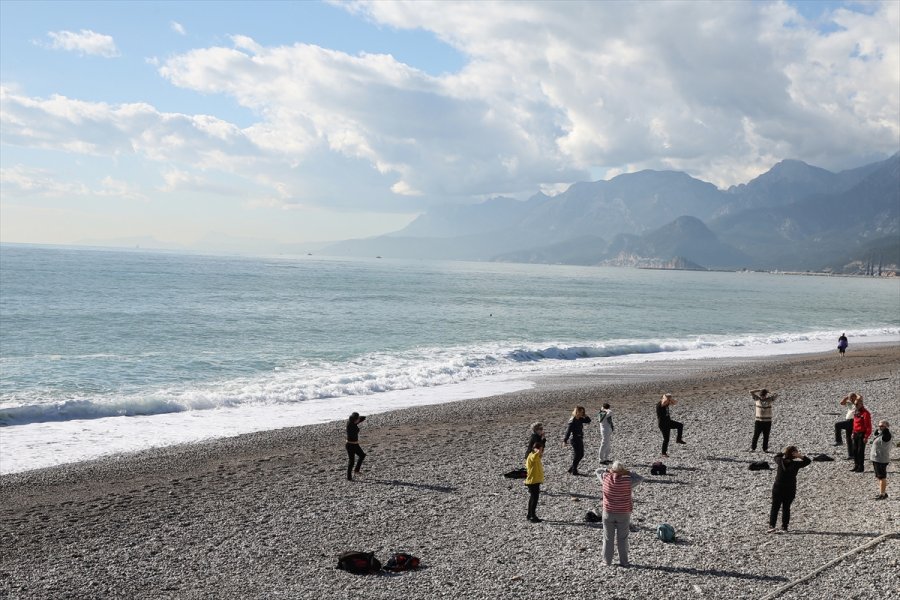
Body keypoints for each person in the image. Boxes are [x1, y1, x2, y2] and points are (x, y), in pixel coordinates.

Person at [596, 461, 644, 566]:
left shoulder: (605, 478)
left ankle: (606, 561)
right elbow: (640, 478)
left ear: (612, 470)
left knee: (608, 538)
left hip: (608, 512)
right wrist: (627, 472)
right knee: (623, 538)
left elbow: (597, 471)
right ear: (622, 471)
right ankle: (624, 562)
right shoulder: (628, 481)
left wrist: (608, 470)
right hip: (623, 512)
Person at [768, 446, 812, 533]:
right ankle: (784, 526)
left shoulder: (780, 461)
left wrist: (783, 453)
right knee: (786, 507)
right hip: (790, 488)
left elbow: (776, 457)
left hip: (778, 487)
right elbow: (808, 461)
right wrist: (800, 456)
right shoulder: (795, 464)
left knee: (775, 507)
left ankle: (771, 525)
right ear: (794, 455)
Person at [563, 406, 591, 475]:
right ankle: (574, 471)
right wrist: (565, 440)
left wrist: (585, 415)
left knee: (581, 454)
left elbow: (588, 420)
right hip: (575, 439)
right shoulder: (572, 421)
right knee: (577, 455)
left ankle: (572, 468)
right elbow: (568, 431)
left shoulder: (580, 419)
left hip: (579, 438)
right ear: (577, 412)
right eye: (581, 412)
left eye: (583, 412)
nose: (582, 413)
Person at [525, 439, 545, 523]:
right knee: (534, 499)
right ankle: (533, 516)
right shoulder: (533, 456)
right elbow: (536, 456)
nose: (542, 452)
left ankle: (530, 515)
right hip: (533, 482)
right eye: (541, 450)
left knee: (532, 499)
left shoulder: (532, 455)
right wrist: (538, 451)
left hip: (533, 481)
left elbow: (538, 456)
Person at [870, 420, 892, 500]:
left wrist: (885, 429)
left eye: (882, 426)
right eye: (879, 426)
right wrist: (877, 433)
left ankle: (882, 494)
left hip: (881, 459)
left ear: (886, 427)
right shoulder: (881, 434)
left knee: (882, 477)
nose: (880, 427)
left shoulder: (887, 435)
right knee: (879, 477)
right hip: (877, 458)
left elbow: (886, 436)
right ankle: (883, 492)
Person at [833, 393, 859, 458]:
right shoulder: (849, 403)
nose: (851, 399)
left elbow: (860, 398)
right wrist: (846, 397)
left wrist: (855, 396)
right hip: (848, 421)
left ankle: (839, 441)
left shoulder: (857, 403)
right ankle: (851, 455)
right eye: (850, 398)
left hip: (853, 421)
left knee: (837, 425)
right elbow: (842, 403)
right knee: (849, 439)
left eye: (852, 397)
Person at [850, 397, 872, 473]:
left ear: (861, 404)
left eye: (857, 404)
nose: (855, 405)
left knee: (860, 451)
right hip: (856, 433)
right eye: (855, 404)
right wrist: (853, 432)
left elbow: (868, 426)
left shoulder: (866, 413)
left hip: (862, 434)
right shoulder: (856, 412)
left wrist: (866, 436)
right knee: (855, 450)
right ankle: (856, 465)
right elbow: (854, 424)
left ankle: (861, 467)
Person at [345, 412, 367, 481]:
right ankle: (349, 477)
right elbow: (357, 424)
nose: (358, 420)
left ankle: (356, 470)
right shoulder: (350, 426)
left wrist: (361, 418)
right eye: (357, 419)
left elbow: (361, 419)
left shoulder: (352, 422)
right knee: (351, 461)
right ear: (355, 420)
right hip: (350, 445)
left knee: (362, 455)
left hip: (355, 444)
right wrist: (359, 421)